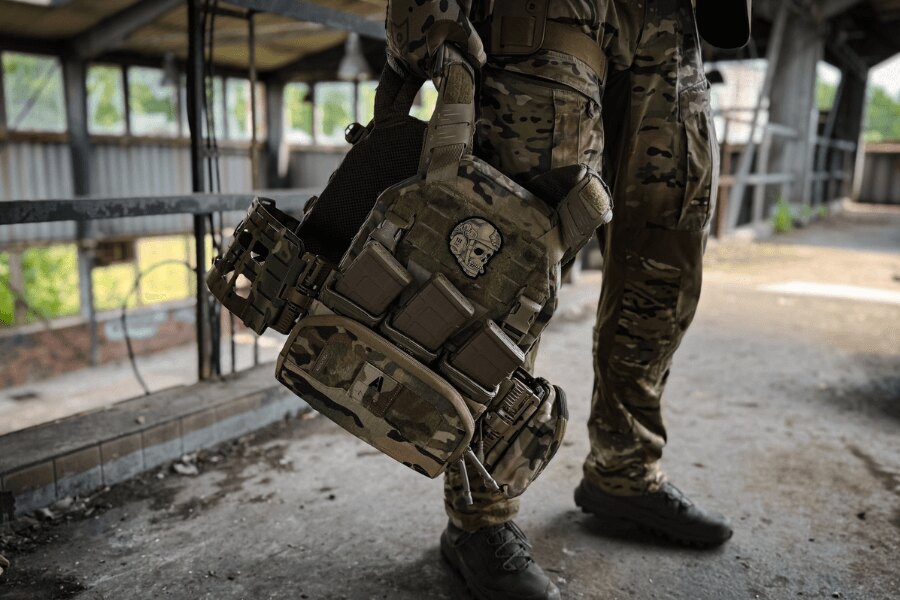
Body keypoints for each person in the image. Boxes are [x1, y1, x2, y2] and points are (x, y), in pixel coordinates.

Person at [386, 1, 751, 598]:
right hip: (553, 18)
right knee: (508, 266)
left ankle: (623, 470)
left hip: (669, 33)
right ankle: (481, 515)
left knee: (666, 258)